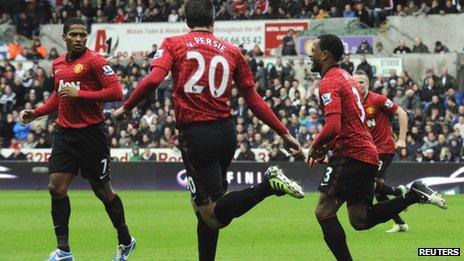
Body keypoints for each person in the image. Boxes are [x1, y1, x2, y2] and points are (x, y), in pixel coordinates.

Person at [113, 1, 305, 260]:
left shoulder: (174, 43)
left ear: (185, 19)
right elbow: (254, 99)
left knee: (213, 215)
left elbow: (154, 80)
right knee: (204, 206)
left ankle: (269, 186)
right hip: (226, 133)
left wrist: (126, 108)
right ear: (214, 19)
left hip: (196, 135)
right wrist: (283, 132)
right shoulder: (232, 50)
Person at [306, 34, 447, 261]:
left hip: (351, 153)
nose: (310, 55)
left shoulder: (330, 81)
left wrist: (315, 146)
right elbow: (346, 123)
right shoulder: (344, 77)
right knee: (359, 219)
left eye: (314, 50)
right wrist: (326, 147)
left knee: (324, 211)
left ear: (325, 55)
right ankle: (412, 195)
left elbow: (333, 125)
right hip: (366, 152)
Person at [18, 18, 136, 261]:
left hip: (92, 135)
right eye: (74, 34)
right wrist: (37, 113)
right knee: (56, 188)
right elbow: (59, 96)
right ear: (64, 38)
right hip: (65, 133)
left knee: (104, 193)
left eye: (83, 34)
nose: (80, 38)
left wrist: (79, 93)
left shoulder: (96, 61)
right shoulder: (58, 64)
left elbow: (116, 92)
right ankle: (63, 250)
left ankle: (125, 241)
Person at [354, 70, 410, 233]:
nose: (358, 85)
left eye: (361, 82)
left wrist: (401, 139)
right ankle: (400, 222)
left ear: (368, 84)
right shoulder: (353, 103)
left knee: (371, 185)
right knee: (377, 190)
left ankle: (398, 192)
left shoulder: (377, 99)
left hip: (384, 149)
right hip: (368, 152)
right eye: (355, 82)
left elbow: (402, 113)